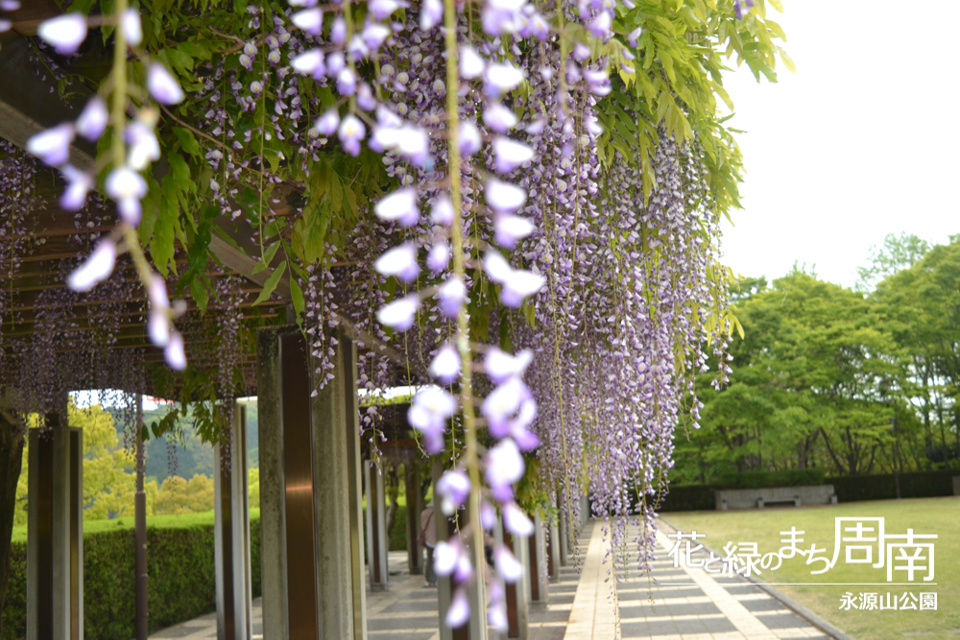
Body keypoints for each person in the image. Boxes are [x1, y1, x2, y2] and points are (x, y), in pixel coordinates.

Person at [419, 502, 436, 587]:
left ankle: (428, 579)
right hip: (437, 540)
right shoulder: (438, 513)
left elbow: (422, 525)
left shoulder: (424, 513)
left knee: (429, 559)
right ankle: (434, 580)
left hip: (428, 539)